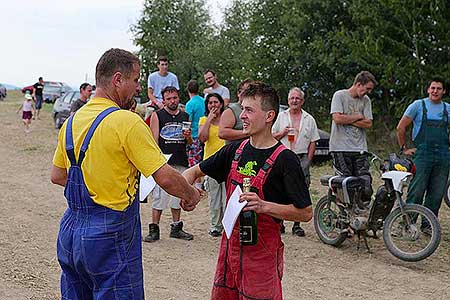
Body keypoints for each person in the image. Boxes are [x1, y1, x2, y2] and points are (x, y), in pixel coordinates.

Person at [50, 48, 200, 299]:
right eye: (136, 79)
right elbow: (163, 176)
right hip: (110, 239)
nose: (139, 87)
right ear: (118, 80)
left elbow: (57, 175)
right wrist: (190, 194)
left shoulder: (72, 121)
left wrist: (98, 182)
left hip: (70, 234)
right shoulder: (127, 122)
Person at [183, 81, 313, 300]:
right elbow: (193, 171)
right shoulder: (234, 150)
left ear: (269, 116)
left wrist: (264, 206)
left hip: (261, 256)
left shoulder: (286, 160)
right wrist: (187, 194)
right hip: (228, 251)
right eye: (242, 108)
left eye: (249, 110)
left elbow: (305, 213)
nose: (242, 115)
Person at [396, 77, 449, 232]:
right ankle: (408, 224)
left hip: (443, 156)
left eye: (439, 88)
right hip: (423, 154)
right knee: (416, 190)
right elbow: (401, 127)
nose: (435, 91)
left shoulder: (447, 109)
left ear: (444, 91)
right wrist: (404, 148)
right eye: (432, 88)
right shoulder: (418, 106)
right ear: (428, 90)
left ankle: (428, 226)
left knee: (437, 192)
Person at [144, 86, 195, 242]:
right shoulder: (157, 115)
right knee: (159, 196)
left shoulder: (185, 115)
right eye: (169, 98)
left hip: (181, 159)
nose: (173, 101)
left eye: (175, 97)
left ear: (178, 97)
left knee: (178, 195)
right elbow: (154, 140)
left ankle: (176, 227)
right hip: (164, 161)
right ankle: (154, 228)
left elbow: (190, 142)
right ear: (163, 100)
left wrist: (187, 137)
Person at [272, 87, 320, 237]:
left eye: (297, 98)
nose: (294, 101)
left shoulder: (309, 119)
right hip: (284, 156)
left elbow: (313, 141)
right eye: (292, 98)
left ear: (302, 101)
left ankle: (297, 225)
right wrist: (283, 133)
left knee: (300, 189)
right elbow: (272, 136)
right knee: (280, 189)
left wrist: (308, 160)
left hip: (301, 158)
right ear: (288, 100)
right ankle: (279, 223)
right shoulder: (281, 116)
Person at [329, 71, 377, 205]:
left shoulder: (366, 100)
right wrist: (357, 117)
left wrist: (346, 119)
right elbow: (337, 118)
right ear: (358, 84)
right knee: (345, 183)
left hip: (359, 147)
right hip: (340, 147)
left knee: (365, 182)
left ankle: (361, 210)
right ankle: (344, 212)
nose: (368, 92)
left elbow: (368, 123)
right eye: (367, 88)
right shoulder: (339, 96)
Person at [198, 93, 226, 237]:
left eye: (216, 102)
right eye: (210, 103)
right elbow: (202, 138)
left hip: (227, 162)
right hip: (211, 162)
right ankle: (216, 226)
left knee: (226, 197)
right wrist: (210, 118)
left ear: (221, 103)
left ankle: (228, 225)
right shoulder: (203, 119)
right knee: (214, 197)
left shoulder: (227, 119)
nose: (213, 105)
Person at [218, 78, 252, 143]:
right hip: (234, 151)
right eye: (247, 91)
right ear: (239, 93)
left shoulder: (255, 109)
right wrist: (248, 132)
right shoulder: (231, 110)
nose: (250, 94)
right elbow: (222, 133)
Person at [185, 79, 205, 167]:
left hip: (194, 137)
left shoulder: (190, 104)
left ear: (188, 90)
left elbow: (188, 121)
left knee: (194, 164)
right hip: (204, 134)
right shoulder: (204, 101)